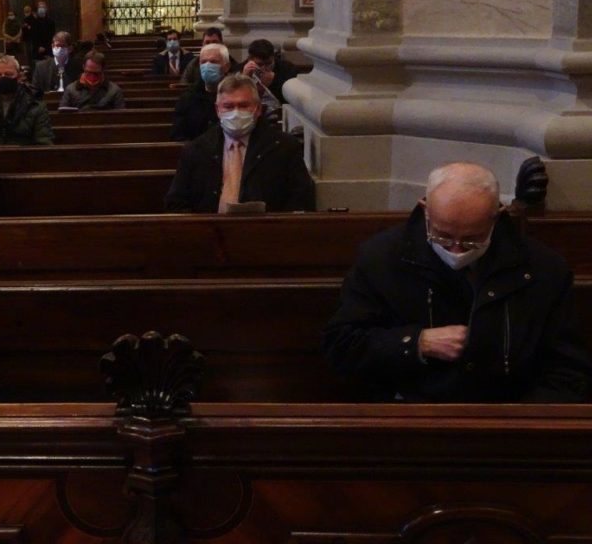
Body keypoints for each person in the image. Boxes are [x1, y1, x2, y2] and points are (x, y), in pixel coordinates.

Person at [322, 162, 592, 403]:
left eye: (472, 239)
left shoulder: (542, 269)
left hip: (509, 415)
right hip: (411, 413)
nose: (456, 250)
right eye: (443, 236)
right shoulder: (382, 258)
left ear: (496, 217)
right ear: (425, 210)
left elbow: (567, 368)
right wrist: (417, 342)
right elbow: (343, 345)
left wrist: (522, 423)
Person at [165, 73, 314, 213]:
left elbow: (301, 199)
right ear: (218, 110)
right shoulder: (196, 150)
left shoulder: (284, 147)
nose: (236, 113)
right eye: (228, 107)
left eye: (243, 106)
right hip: (212, 234)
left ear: (258, 109)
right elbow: (176, 202)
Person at [0, 54, 54, 145]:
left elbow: (44, 142)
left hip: (24, 157)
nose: (3, 78)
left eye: (8, 74)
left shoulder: (35, 106)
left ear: (18, 76)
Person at [171, 43, 231, 141]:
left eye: (213, 62)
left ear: (226, 66)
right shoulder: (188, 97)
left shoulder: (235, 94)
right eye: (203, 62)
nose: (207, 66)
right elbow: (177, 134)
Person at [59, 51, 125, 110]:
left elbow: (120, 117)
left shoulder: (114, 91)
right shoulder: (71, 89)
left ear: (103, 69)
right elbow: (63, 116)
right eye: (89, 72)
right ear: (83, 67)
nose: (92, 76)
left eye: (96, 73)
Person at [241, 38, 299, 105]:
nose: (263, 68)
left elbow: (291, 99)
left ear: (273, 57)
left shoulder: (288, 69)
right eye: (259, 64)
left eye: (268, 64)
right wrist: (244, 79)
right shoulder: (240, 69)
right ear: (249, 59)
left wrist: (273, 83)